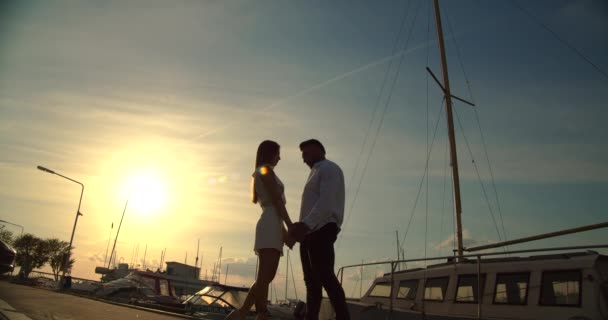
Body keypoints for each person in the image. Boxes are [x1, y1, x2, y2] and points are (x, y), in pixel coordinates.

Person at [225, 140, 296, 320]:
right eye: (277, 153)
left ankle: (241, 313)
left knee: (267, 275)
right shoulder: (265, 170)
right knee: (265, 275)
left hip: (273, 223)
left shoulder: (261, 172)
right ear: (269, 153)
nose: (279, 157)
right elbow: (277, 201)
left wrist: (286, 234)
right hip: (271, 223)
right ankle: (261, 313)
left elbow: (276, 204)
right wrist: (290, 225)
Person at [290, 139, 350, 320]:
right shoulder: (316, 172)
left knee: (325, 277)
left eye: (306, 154)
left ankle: (343, 317)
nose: (303, 159)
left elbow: (327, 201)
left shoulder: (329, 169)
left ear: (318, 150)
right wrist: (304, 229)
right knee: (312, 283)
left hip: (322, 229)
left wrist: (306, 224)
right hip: (309, 232)